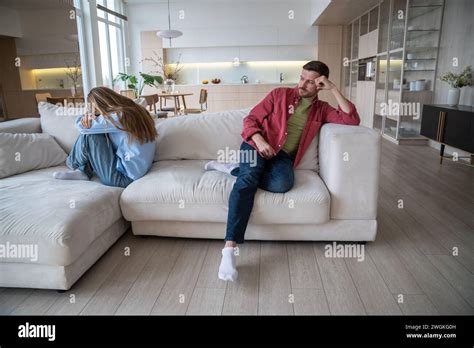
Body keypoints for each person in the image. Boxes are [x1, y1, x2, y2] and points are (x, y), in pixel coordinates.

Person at [213, 61, 360, 281]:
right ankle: (229, 250)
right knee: (248, 181)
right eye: (302, 78)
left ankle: (234, 169)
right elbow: (250, 119)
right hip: (255, 145)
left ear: (320, 84)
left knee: (282, 184)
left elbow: (352, 119)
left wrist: (334, 89)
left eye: (311, 82)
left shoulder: (321, 110)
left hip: (281, 157)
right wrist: (259, 139)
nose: (302, 84)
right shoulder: (279, 95)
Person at [53, 86, 157, 188]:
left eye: (94, 108)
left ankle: (73, 163)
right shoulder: (137, 111)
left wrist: (87, 116)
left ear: (100, 104)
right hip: (136, 170)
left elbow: (82, 127)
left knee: (91, 136)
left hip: (124, 178)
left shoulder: (120, 116)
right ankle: (83, 171)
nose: (95, 111)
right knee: (98, 134)